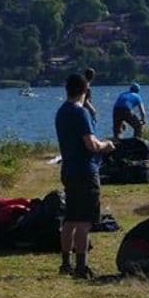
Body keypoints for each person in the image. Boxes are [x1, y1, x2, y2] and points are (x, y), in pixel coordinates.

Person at [55, 72, 115, 279]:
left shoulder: (61, 112)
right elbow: (91, 144)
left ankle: (65, 263)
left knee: (70, 219)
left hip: (69, 170)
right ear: (84, 90)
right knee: (84, 222)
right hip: (85, 171)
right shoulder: (80, 113)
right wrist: (106, 145)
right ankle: (81, 266)